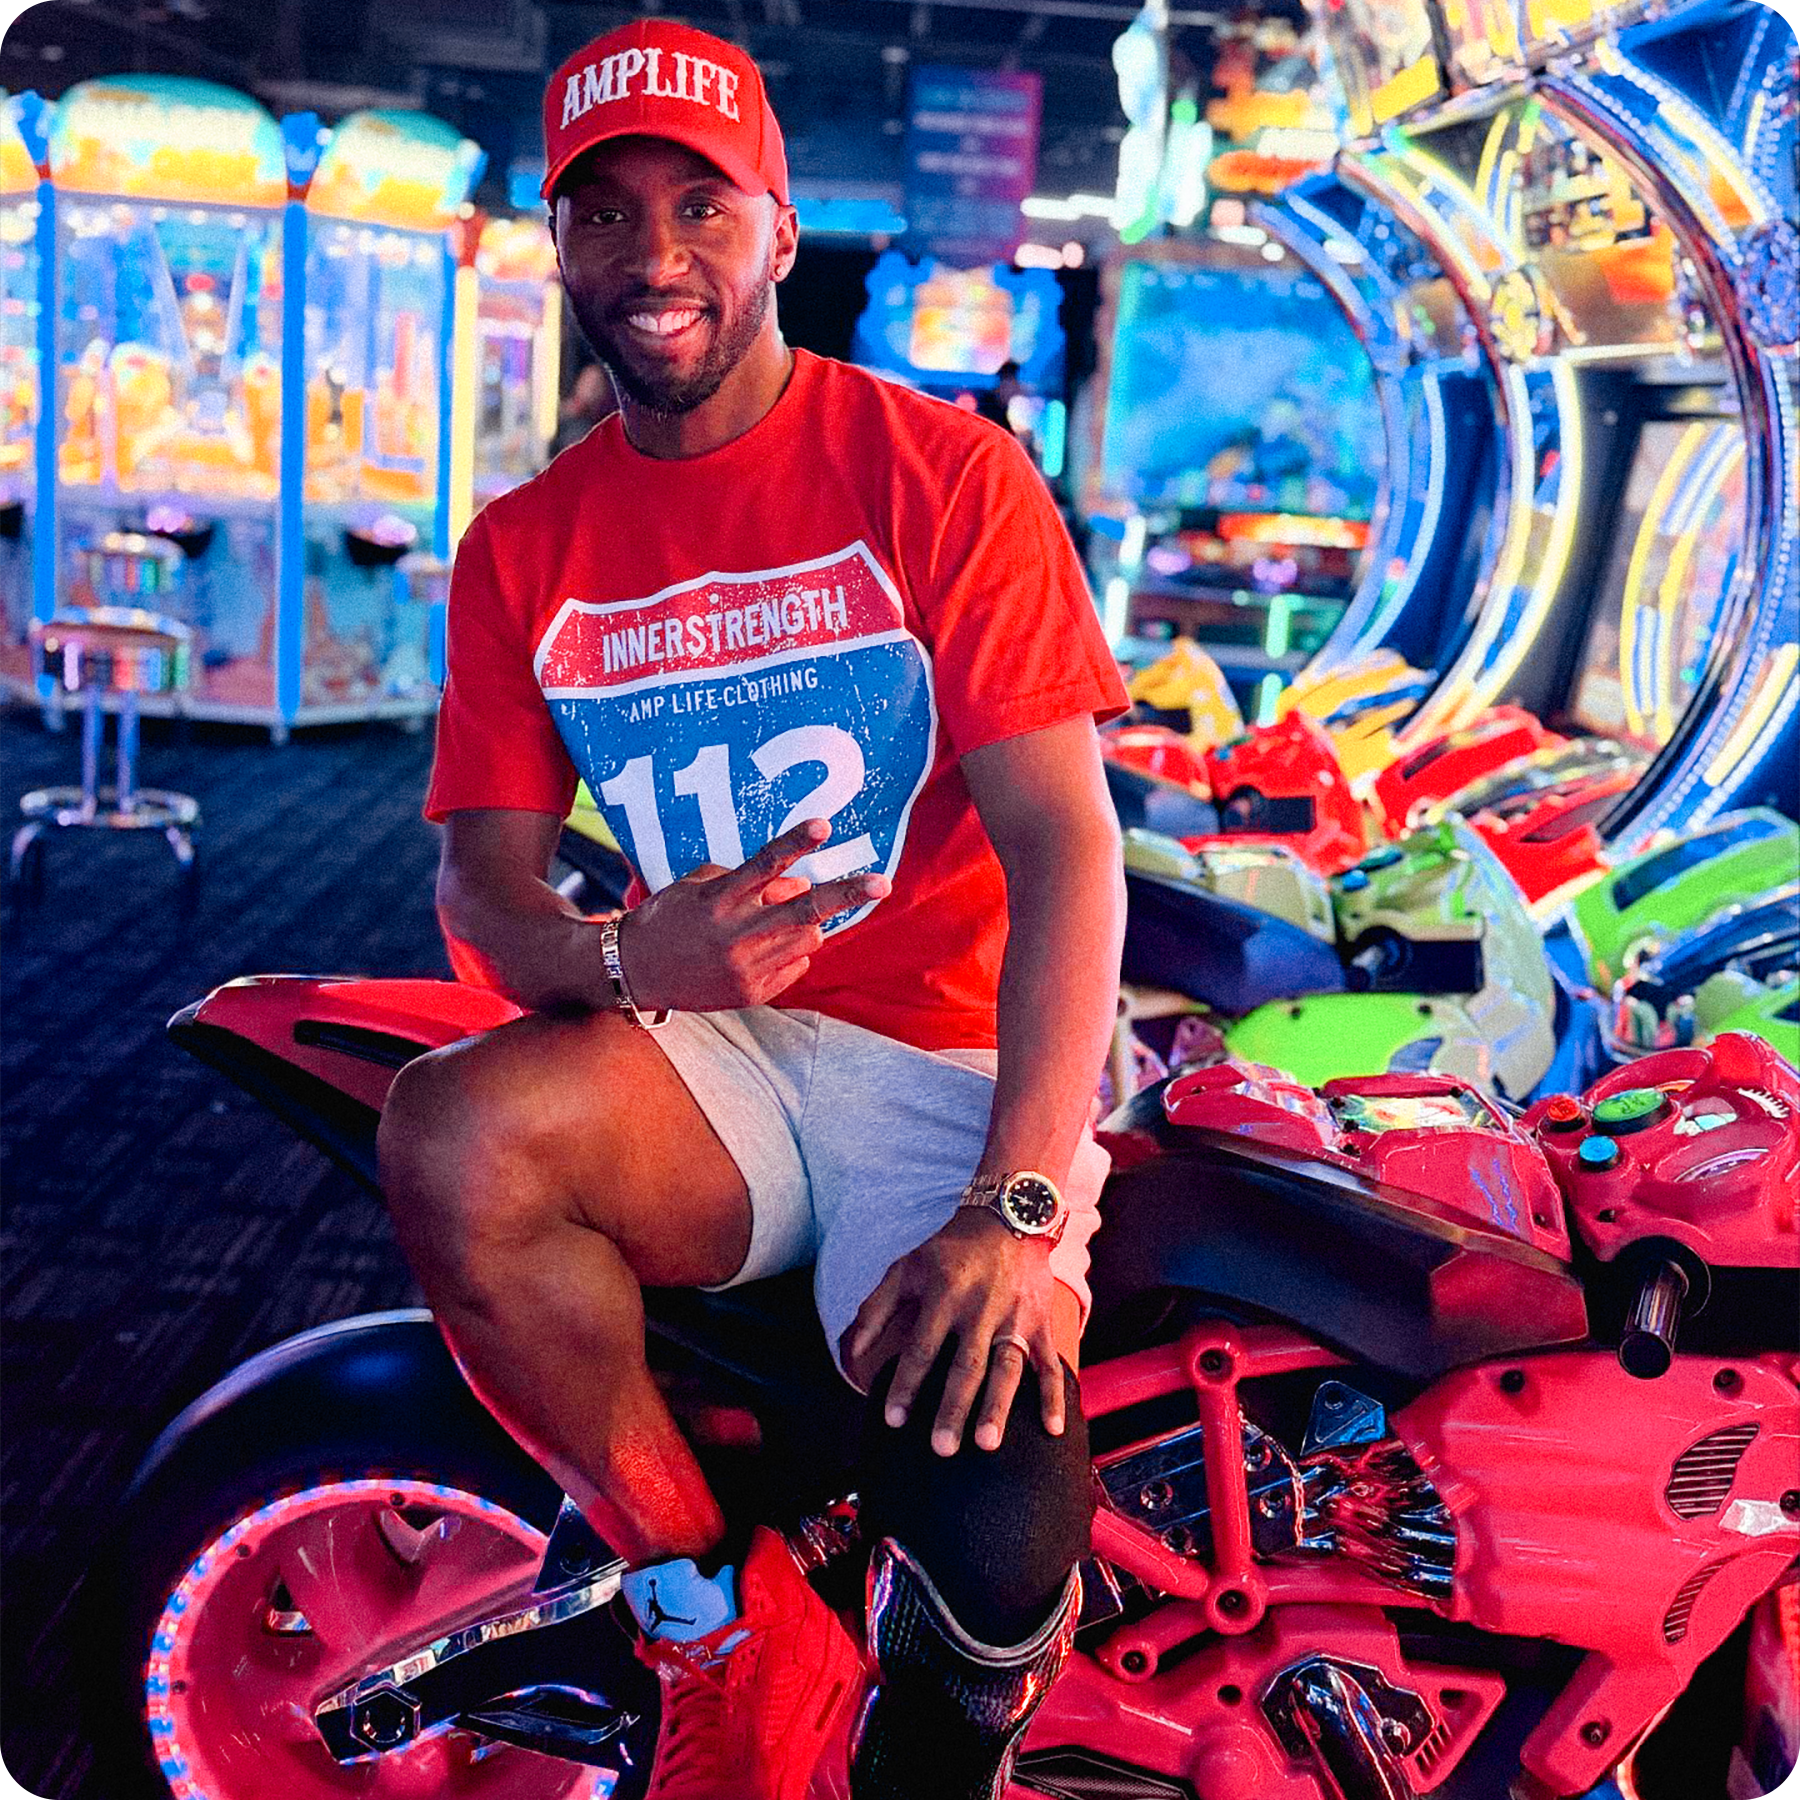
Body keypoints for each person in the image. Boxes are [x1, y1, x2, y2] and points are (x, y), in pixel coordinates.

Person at [376, 18, 1128, 1800]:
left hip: (946, 1063)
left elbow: (1068, 851)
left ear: (782, 232)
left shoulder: (945, 474)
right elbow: (481, 890)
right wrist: (636, 958)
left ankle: (939, 1748)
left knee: (1000, 1509)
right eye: (607, 214)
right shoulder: (524, 548)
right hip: (701, 1057)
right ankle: (703, 1607)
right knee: (450, 1138)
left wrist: (1016, 1205)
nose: (655, 257)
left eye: (702, 205)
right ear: (555, 248)